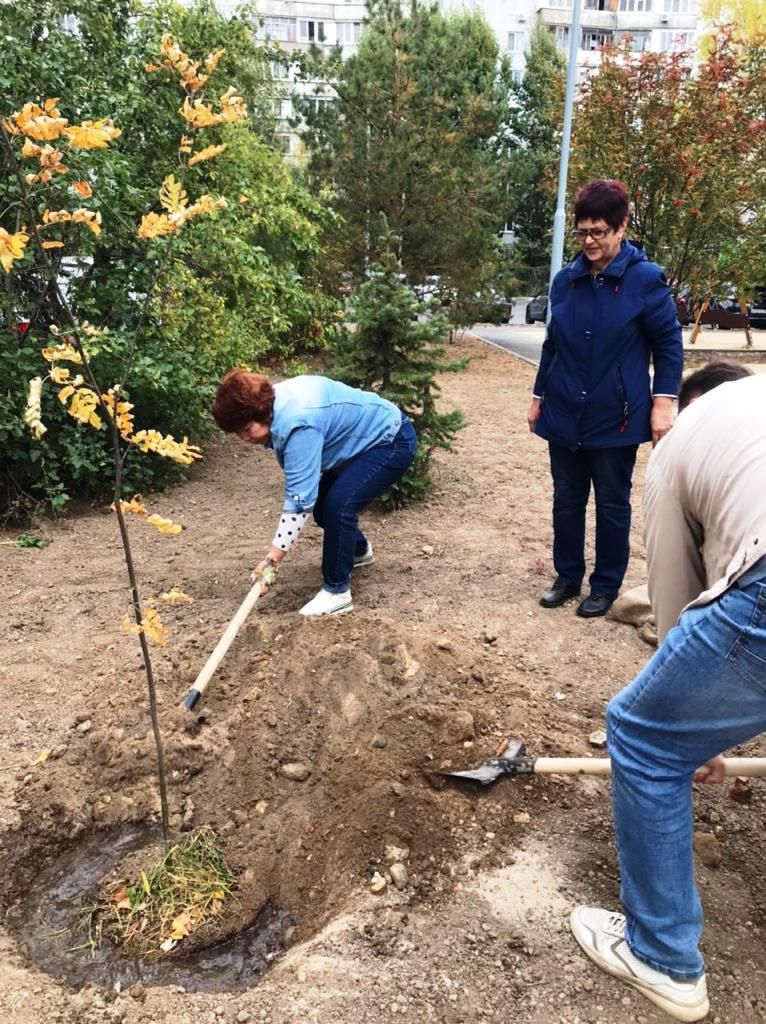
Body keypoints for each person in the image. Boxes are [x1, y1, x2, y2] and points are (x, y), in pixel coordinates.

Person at [570, 373, 766, 1022]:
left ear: (683, 409)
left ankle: (661, 958)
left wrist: (685, 729)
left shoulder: (678, 444)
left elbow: (677, 609)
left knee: (642, 735)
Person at [528, 179, 683, 618]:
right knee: (566, 498)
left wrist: (662, 402)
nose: (590, 242)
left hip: (616, 415)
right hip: (564, 410)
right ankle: (567, 575)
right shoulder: (566, 281)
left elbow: (669, 346)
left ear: (622, 227)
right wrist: (539, 395)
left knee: (612, 504)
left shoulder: (645, 281)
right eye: (583, 233)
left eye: (599, 232)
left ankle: (606, 583)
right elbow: (553, 343)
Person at [212, 370, 417, 616]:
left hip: (390, 441)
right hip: (359, 445)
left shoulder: (298, 422)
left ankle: (337, 592)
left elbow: (299, 501)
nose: (244, 438)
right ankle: (358, 551)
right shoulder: (274, 403)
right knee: (323, 507)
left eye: (246, 429)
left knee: (339, 506)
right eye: (238, 432)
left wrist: (272, 560)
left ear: (262, 411)